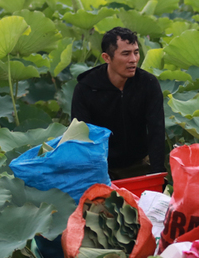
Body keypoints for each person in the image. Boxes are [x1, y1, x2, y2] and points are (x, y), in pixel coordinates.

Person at [71, 27, 166, 180]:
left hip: (139, 164)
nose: (133, 60)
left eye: (136, 52)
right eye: (126, 54)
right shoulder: (86, 88)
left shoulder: (148, 84)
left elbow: (156, 132)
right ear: (106, 57)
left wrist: (157, 175)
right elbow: (81, 139)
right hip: (102, 168)